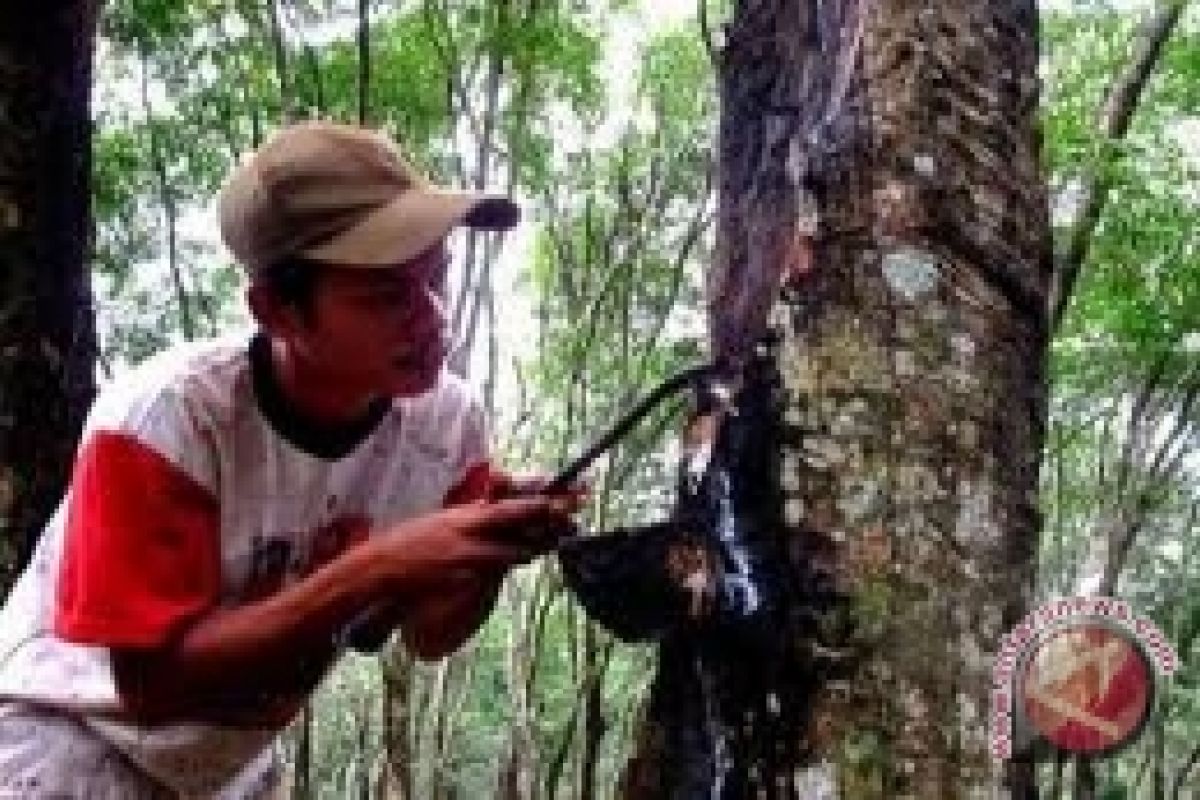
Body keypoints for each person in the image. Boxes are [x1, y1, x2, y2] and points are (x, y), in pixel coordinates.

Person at [0, 121, 579, 798]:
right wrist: (380, 564)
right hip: (67, 741)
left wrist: (489, 552)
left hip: (228, 766)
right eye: (387, 294)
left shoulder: (447, 426)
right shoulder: (166, 420)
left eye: (437, 278)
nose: (431, 318)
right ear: (280, 311)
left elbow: (430, 634)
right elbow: (152, 685)